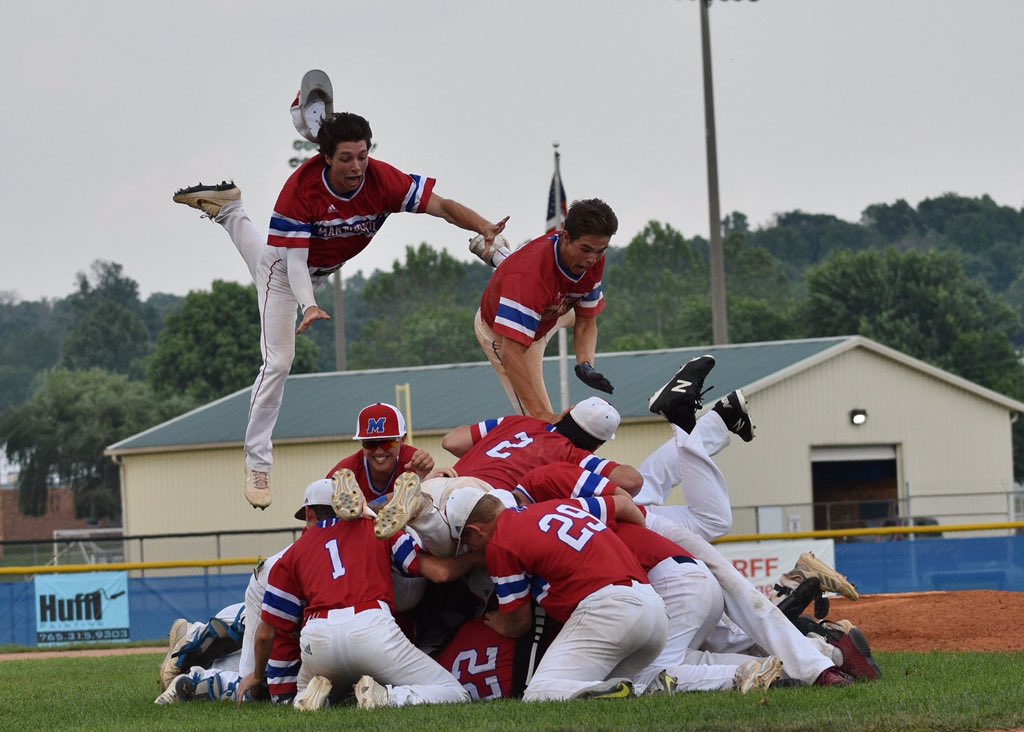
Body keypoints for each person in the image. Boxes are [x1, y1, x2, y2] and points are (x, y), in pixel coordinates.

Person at [173, 74, 508, 511]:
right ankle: (258, 463)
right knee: (278, 361)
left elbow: (441, 207)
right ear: (325, 157)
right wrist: (309, 306)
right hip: (288, 274)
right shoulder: (301, 190)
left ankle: (230, 208)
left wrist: (481, 225)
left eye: (363, 155)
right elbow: (293, 263)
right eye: (346, 158)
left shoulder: (382, 180)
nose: (356, 167)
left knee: (259, 256)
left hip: (315, 270)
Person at [234, 492, 482, 711]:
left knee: (306, 688)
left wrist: (257, 675)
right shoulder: (377, 526)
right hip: (371, 625)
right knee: (453, 691)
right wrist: (474, 559)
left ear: (310, 513)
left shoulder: (294, 551)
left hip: (317, 636)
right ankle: (387, 697)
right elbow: (441, 573)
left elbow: (267, 634)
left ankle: (312, 697)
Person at [475, 199, 618, 423]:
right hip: (505, 334)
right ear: (566, 237)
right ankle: (499, 255)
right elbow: (511, 354)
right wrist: (543, 414)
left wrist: (585, 363)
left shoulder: (592, 259)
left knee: (562, 301)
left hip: (551, 310)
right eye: (586, 249)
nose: (592, 259)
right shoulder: (530, 279)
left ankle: (497, 253)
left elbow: (586, 321)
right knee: (541, 426)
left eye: (600, 251)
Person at [324, 402, 435, 511]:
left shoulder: (414, 462)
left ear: (402, 440)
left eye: (387, 442)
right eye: (370, 443)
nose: (379, 450)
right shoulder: (344, 473)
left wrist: (428, 478)